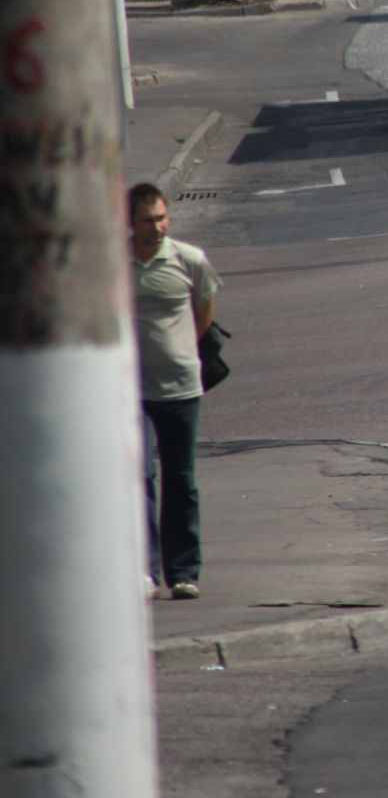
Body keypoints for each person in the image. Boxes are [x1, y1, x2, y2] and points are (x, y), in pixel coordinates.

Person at [128, 183, 220, 600]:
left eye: (162, 217)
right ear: (130, 222)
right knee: (140, 476)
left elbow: (204, 311)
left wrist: (182, 351)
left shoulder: (189, 260)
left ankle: (183, 572)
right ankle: (144, 571)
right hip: (133, 391)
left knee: (181, 479)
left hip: (182, 387)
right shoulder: (111, 264)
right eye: (148, 219)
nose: (158, 226)